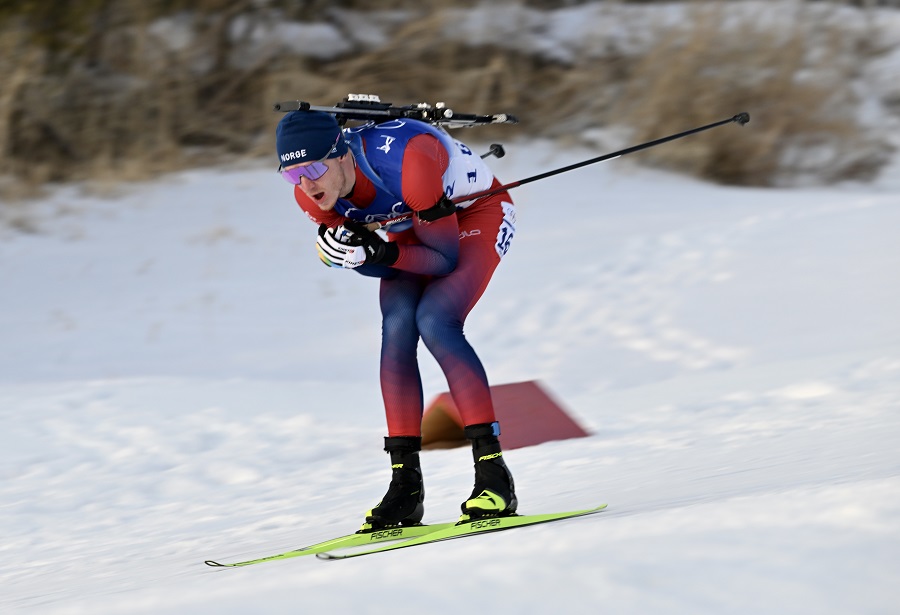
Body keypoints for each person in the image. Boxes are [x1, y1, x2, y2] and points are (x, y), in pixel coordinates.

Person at [275, 110, 517, 530]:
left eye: (314, 168)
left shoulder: (409, 161)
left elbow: (443, 261)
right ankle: (405, 487)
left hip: (476, 215)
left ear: (342, 155)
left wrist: (376, 252)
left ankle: (493, 475)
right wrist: (353, 257)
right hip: (412, 224)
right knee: (398, 324)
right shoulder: (309, 195)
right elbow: (382, 264)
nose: (306, 184)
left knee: (436, 319)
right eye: (292, 174)